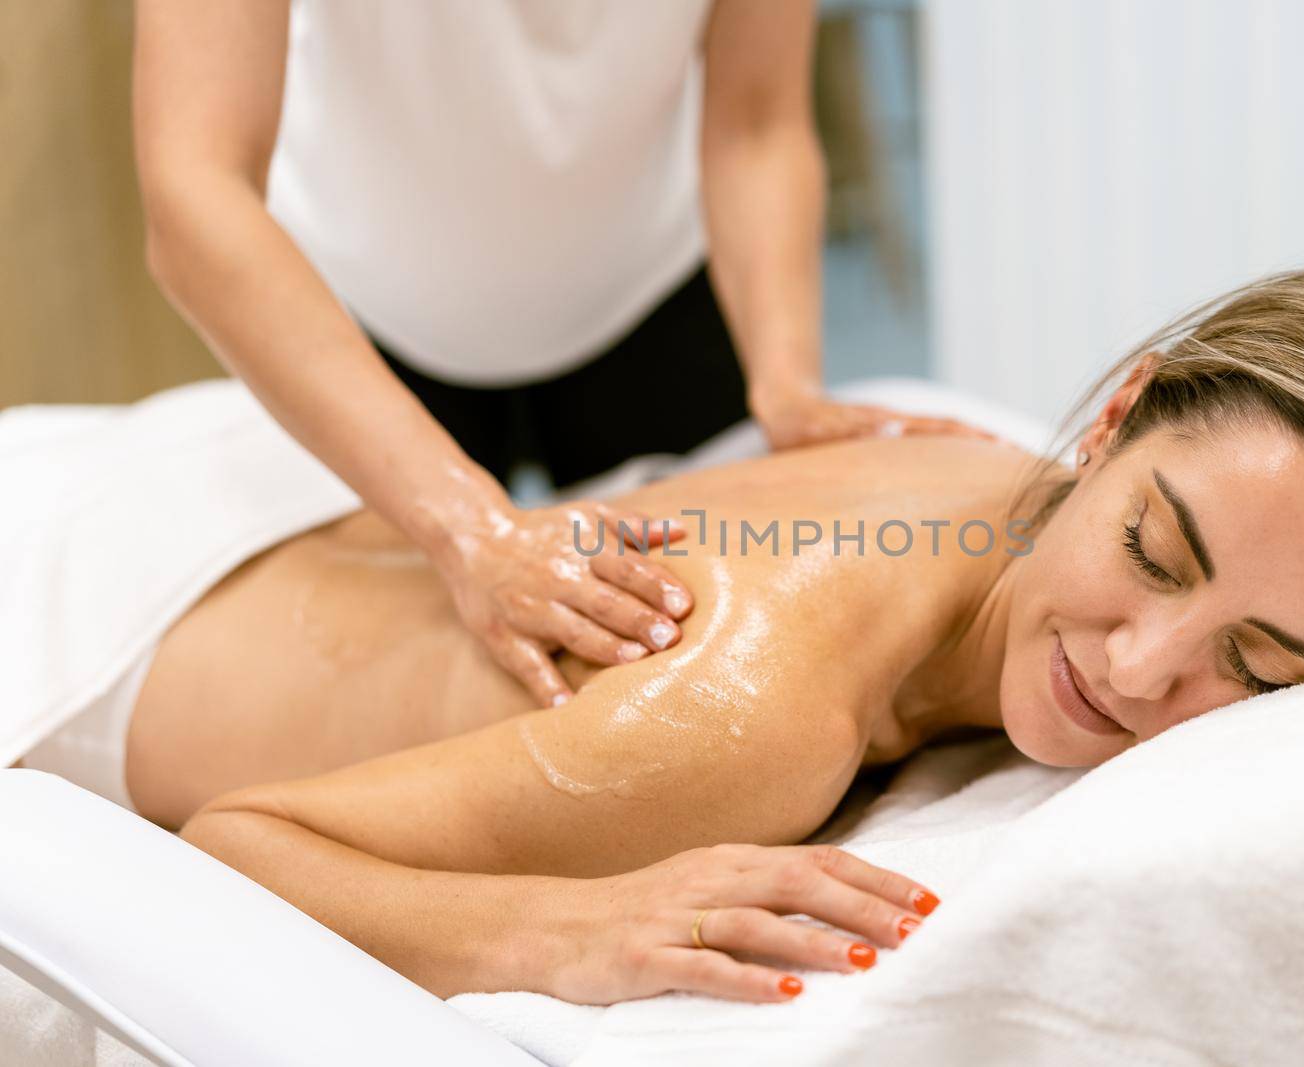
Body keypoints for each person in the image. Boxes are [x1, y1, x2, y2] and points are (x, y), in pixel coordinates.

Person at [31, 270, 1304, 1006]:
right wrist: (560, 930)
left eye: (1261, 667)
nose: (1144, 670)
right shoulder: (751, 715)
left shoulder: (977, 477)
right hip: (81, 630)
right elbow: (237, 840)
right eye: (1151, 549)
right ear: (1118, 412)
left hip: (216, 513)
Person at [131, 0, 992, 709]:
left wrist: (787, 379)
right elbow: (192, 188)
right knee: (391, 696)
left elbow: (756, 124)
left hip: (648, 286)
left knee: (707, 649)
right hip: (362, 314)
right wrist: (469, 526)